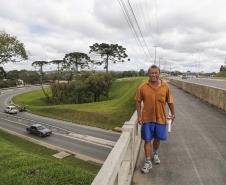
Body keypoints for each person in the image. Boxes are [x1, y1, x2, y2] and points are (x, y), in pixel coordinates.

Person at [135, 64, 175, 173]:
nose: (154, 75)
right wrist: (139, 115)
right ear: (148, 74)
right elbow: (138, 101)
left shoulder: (165, 86)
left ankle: (155, 153)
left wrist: (173, 115)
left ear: (159, 74)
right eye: (152, 73)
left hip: (161, 119)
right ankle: (148, 162)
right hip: (147, 119)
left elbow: (170, 101)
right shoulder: (143, 87)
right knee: (147, 140)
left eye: (156, 73)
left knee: (157, 139)